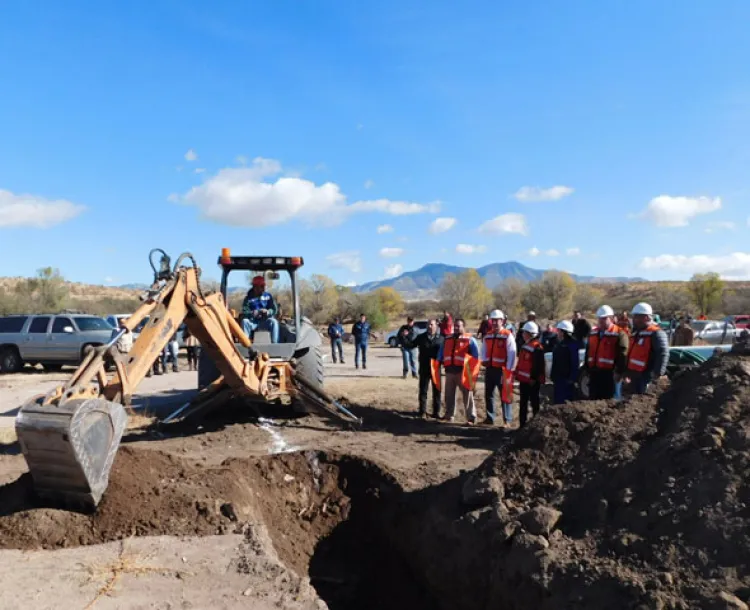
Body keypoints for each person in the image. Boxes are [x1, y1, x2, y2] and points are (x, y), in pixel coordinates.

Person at [437, 318, 481, 424]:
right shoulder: (447, 339)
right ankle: (449, 415)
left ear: (463, 327)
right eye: (455, 326)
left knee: (467, 395)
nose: (456, 328)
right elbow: (441, 352)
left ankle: (471, 417)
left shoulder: (470, 339)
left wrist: (473, 371)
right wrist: (438, 362)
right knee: (449, 395)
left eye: (458, 326)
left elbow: (476, 356)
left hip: (463, 373)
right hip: (449, 371)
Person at [585, 305, 629, 400]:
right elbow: (588, 352)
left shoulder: (619, 334)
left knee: (608, 401)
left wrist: (619, 372)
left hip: (609, 375)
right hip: (594, 373)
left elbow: (623, 354)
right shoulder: (593, 333)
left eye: (604, 318)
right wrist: (587, 368)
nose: (601, 321)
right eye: (600, 318)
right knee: (592, 399)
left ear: (611, 318)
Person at [481, 309, 516, 427]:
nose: (495, 322)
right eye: (493, 320)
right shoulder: (488, 335)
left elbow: (512, 353)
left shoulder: (507, 335)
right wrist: (484, 360)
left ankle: (507, 420)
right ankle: (490, 418)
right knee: (489, 394)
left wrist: (508, 370)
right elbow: (484, 349)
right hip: (490, 369)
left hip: (502, 371)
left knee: (504, 395)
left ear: (502, 321)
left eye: (497, 320)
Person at [625, 302, 669, 394]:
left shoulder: (657, 333)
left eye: (636, 317)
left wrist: (657, 374)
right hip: (634, 375)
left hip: (646, 377)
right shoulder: (637, 333)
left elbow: (663, 353)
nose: (633, 319)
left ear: (646, 317)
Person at [515, 321, 546, 428]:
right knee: (523, 404)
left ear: (530, 334)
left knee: (534, 403)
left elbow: (538, 365)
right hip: (524, 380)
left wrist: (533, 378)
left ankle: (535, 426)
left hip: (532, 381)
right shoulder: (526, 345)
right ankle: (522, 425)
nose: (523, 335)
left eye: (524, 332)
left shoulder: (537, 347)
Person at [414, 319, 443, 418]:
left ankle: (436, 412)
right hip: (424, 368)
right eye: (428, 325)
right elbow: (410, 344)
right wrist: (403, 336)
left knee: (437, 391)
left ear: (436, 326)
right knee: (423, 390)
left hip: (436, 369)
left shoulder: (442, 339)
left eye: (432, 324)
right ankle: (422, 411)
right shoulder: (421, 337)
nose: (430, 326)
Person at [241, 276, 279, 343]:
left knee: (274, 322)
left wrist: (268, 312)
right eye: (261, 286)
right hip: (253, 322)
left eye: (263, 286)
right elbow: (244, 311)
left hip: (265, 321)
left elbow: (274, 309)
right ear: (255, 287)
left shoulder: (268, 296)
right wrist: (252, 313)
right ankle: (246, 344)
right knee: (245, 321)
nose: (263, 288)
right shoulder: (248, 298)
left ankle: (275, 345)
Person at [550, 320, 580, 404]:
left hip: (567, 380)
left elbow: (575, 363)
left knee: (565, 403)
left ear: (563, 332)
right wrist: (553, 375)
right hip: (558, 378)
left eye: (558, 331)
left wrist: (572, 378)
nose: (557, 333)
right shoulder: (558, 345)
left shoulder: (572, 345)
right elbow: (555, 361)